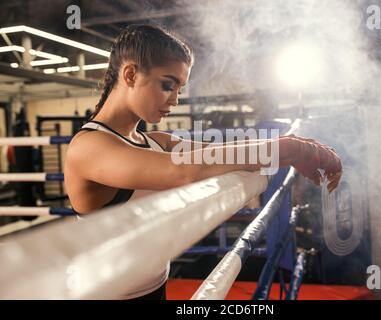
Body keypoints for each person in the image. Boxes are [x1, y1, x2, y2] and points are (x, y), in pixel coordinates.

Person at [64, 24, 342, 300]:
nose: (174, 99)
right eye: (167, 85)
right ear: (131, 74)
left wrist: (294, 151)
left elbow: (217, 152)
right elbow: (183, 170)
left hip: (153, 287)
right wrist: (289, 147)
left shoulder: (155, 141)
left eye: (179, 89)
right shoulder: (89, 146)